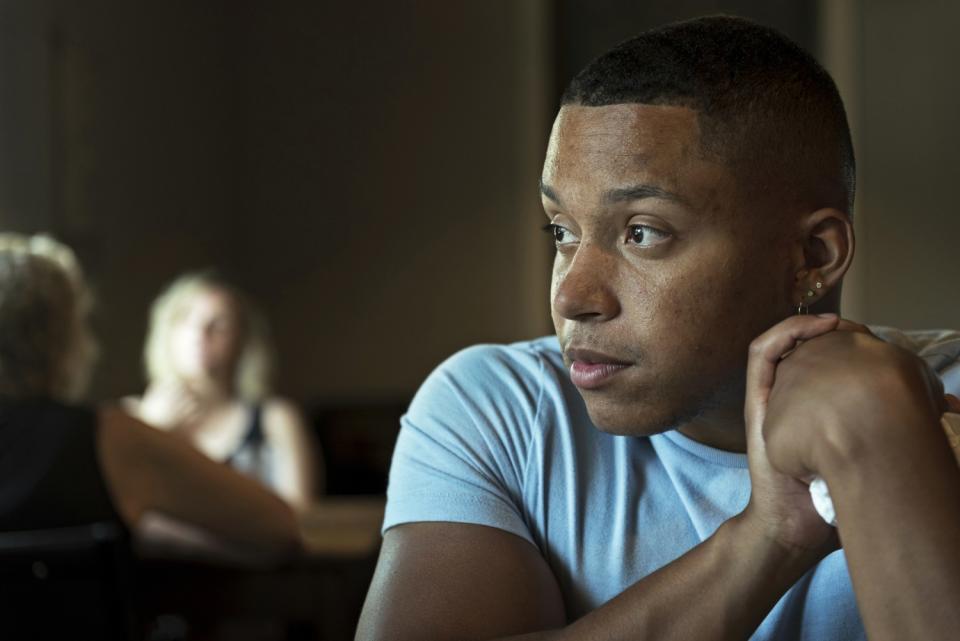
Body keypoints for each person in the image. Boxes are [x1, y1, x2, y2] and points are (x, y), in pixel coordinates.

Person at [356, 15, 960, 641]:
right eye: (561, 231)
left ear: (812, 256)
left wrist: (877, 427)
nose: (572, 297)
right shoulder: (502, 408)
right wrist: (767, 537)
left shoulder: (941, 401)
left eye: (643, 232)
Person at [0, 233, 300, 563]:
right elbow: (279, 525)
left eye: (220, 324)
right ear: (63, 339)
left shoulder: (273, 417)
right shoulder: (110, 435)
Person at [126, 272, 320, 511]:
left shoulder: (276, 419)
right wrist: (152, 430)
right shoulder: (133, 417)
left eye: (220, 323)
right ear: (167, 332)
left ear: (242, 339)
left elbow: (300, 517)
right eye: (185, 319)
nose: (201, 333)